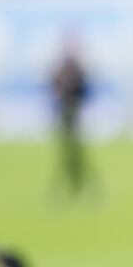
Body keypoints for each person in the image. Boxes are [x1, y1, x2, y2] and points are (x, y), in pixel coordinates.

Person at [50, 39, 90, 196]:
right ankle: (72, 184)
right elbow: (53, 86)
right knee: (68, 152)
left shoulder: (76, 68)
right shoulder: (62, 68)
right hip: (65, 111)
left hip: (73, 111)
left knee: (75, 152)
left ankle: (80, 184)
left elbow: (84, 89)